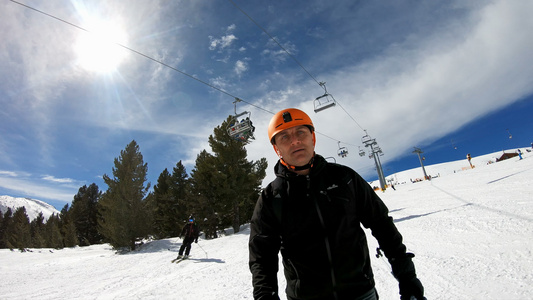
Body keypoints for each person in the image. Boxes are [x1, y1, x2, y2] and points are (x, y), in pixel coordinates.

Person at [249, 108, 425, 300]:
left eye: (301, 132)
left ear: (313, 138)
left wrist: (407, 277)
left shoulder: (345, 179)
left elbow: (382, 225)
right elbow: (262, 258)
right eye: (284, 137)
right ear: (277, 149)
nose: (295, 141)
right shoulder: (271, 198)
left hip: (360, 293)